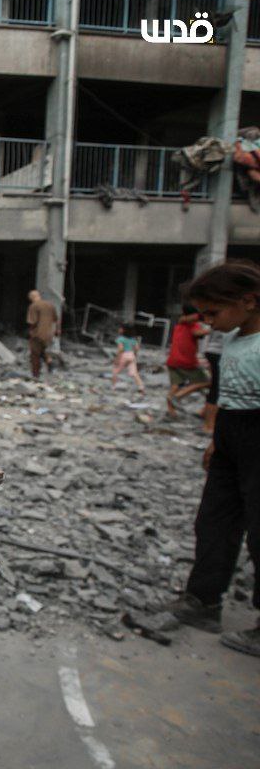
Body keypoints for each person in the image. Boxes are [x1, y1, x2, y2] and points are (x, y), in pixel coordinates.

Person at [166, 260, 260, 657]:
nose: (208, 322)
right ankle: (204, 600)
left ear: (249, 301)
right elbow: (219, 394)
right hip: (231, 436)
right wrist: (215, 440)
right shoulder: (229, 340)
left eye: (213, 313)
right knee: (214, 520)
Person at [165, 304, 210, 417]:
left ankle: (171, 411)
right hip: (185, 361)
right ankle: (178, 397)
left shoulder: (181, 324)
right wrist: (213, 327)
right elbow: (197, 332)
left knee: (175, 385)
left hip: (173, 360)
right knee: (207, 382)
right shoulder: (189, 323)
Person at [26, 289, 59, 378]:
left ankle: (36, 375)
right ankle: (50, 364)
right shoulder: (50, 305)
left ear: (32, 297)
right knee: (43, 351)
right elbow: (56, 319)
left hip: (38, 334)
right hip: (49, 334)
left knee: (35, 354)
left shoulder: (33, 306)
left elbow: (32, 322)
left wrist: (29, 333)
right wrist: (57, 331)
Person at [111, 323, 145, 394]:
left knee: (115, 371)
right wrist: (135, 354)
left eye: (120, 328)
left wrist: (117, 359)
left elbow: (120, 349)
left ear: (123, 330)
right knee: (134, 373)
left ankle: (113, 387)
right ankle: (141, 387)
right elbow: (137, 348)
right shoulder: (133, 339)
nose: (119, 329)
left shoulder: (120, 339)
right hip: (131, 354)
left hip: (123, 355)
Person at [202, 328, 224, 434]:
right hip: (220, 351)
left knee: (214, 386)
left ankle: (205, 415)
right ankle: (209, 424)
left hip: (211, 350)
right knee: (217, 388)